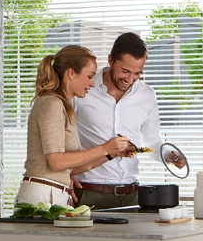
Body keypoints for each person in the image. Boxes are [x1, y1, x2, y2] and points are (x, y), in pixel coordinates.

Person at [71, 32, 187, 210]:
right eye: (125, 71)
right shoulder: (83, 89)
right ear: (111, 60)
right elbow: (62, 138)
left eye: (137, 73)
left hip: (132, 195)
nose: (129, 79)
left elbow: (152, 142)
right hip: (88, 193)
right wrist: (65, 174)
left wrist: (170, 155)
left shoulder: (147, 95)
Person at [17, 45, 130, 207]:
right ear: (71, 73)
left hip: (53, 194)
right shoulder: (51, 104)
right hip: (42, 196)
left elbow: (71, 168)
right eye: (90, 76)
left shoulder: (64, 107)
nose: (92, 84)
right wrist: (104, 148)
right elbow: (56, 162)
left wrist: (110, 154)